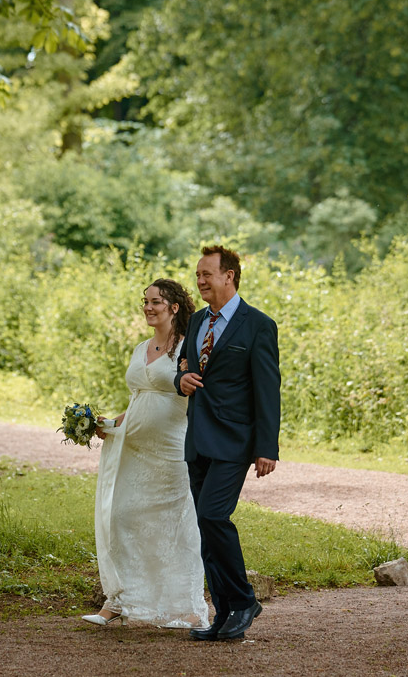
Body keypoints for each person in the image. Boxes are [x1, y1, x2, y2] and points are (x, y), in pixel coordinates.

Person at [81, 278, 210, 629]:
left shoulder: (188, 347)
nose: (149, 307)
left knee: (176, 527)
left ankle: (186, 606)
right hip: (133, 450)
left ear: (174, 307)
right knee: (121, 517)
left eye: (156, 302)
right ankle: (120, 601)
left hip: (171, 450)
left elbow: (194, 393)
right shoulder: (141, 348)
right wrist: (107, 422)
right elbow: (138, 399)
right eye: (145, 301)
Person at [175, 245, 280, 641]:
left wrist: (266, 447)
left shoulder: (258, 325)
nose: (200, 281)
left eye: (207, 274)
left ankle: (243, 602)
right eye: (198, 275)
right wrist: (178, 381)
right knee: (205, 525)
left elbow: (268, 391)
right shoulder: (198, 321)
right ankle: (223, 613)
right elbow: (183, 369)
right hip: (197, 439)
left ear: (229, 276)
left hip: (236, 440)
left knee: (215, 515)